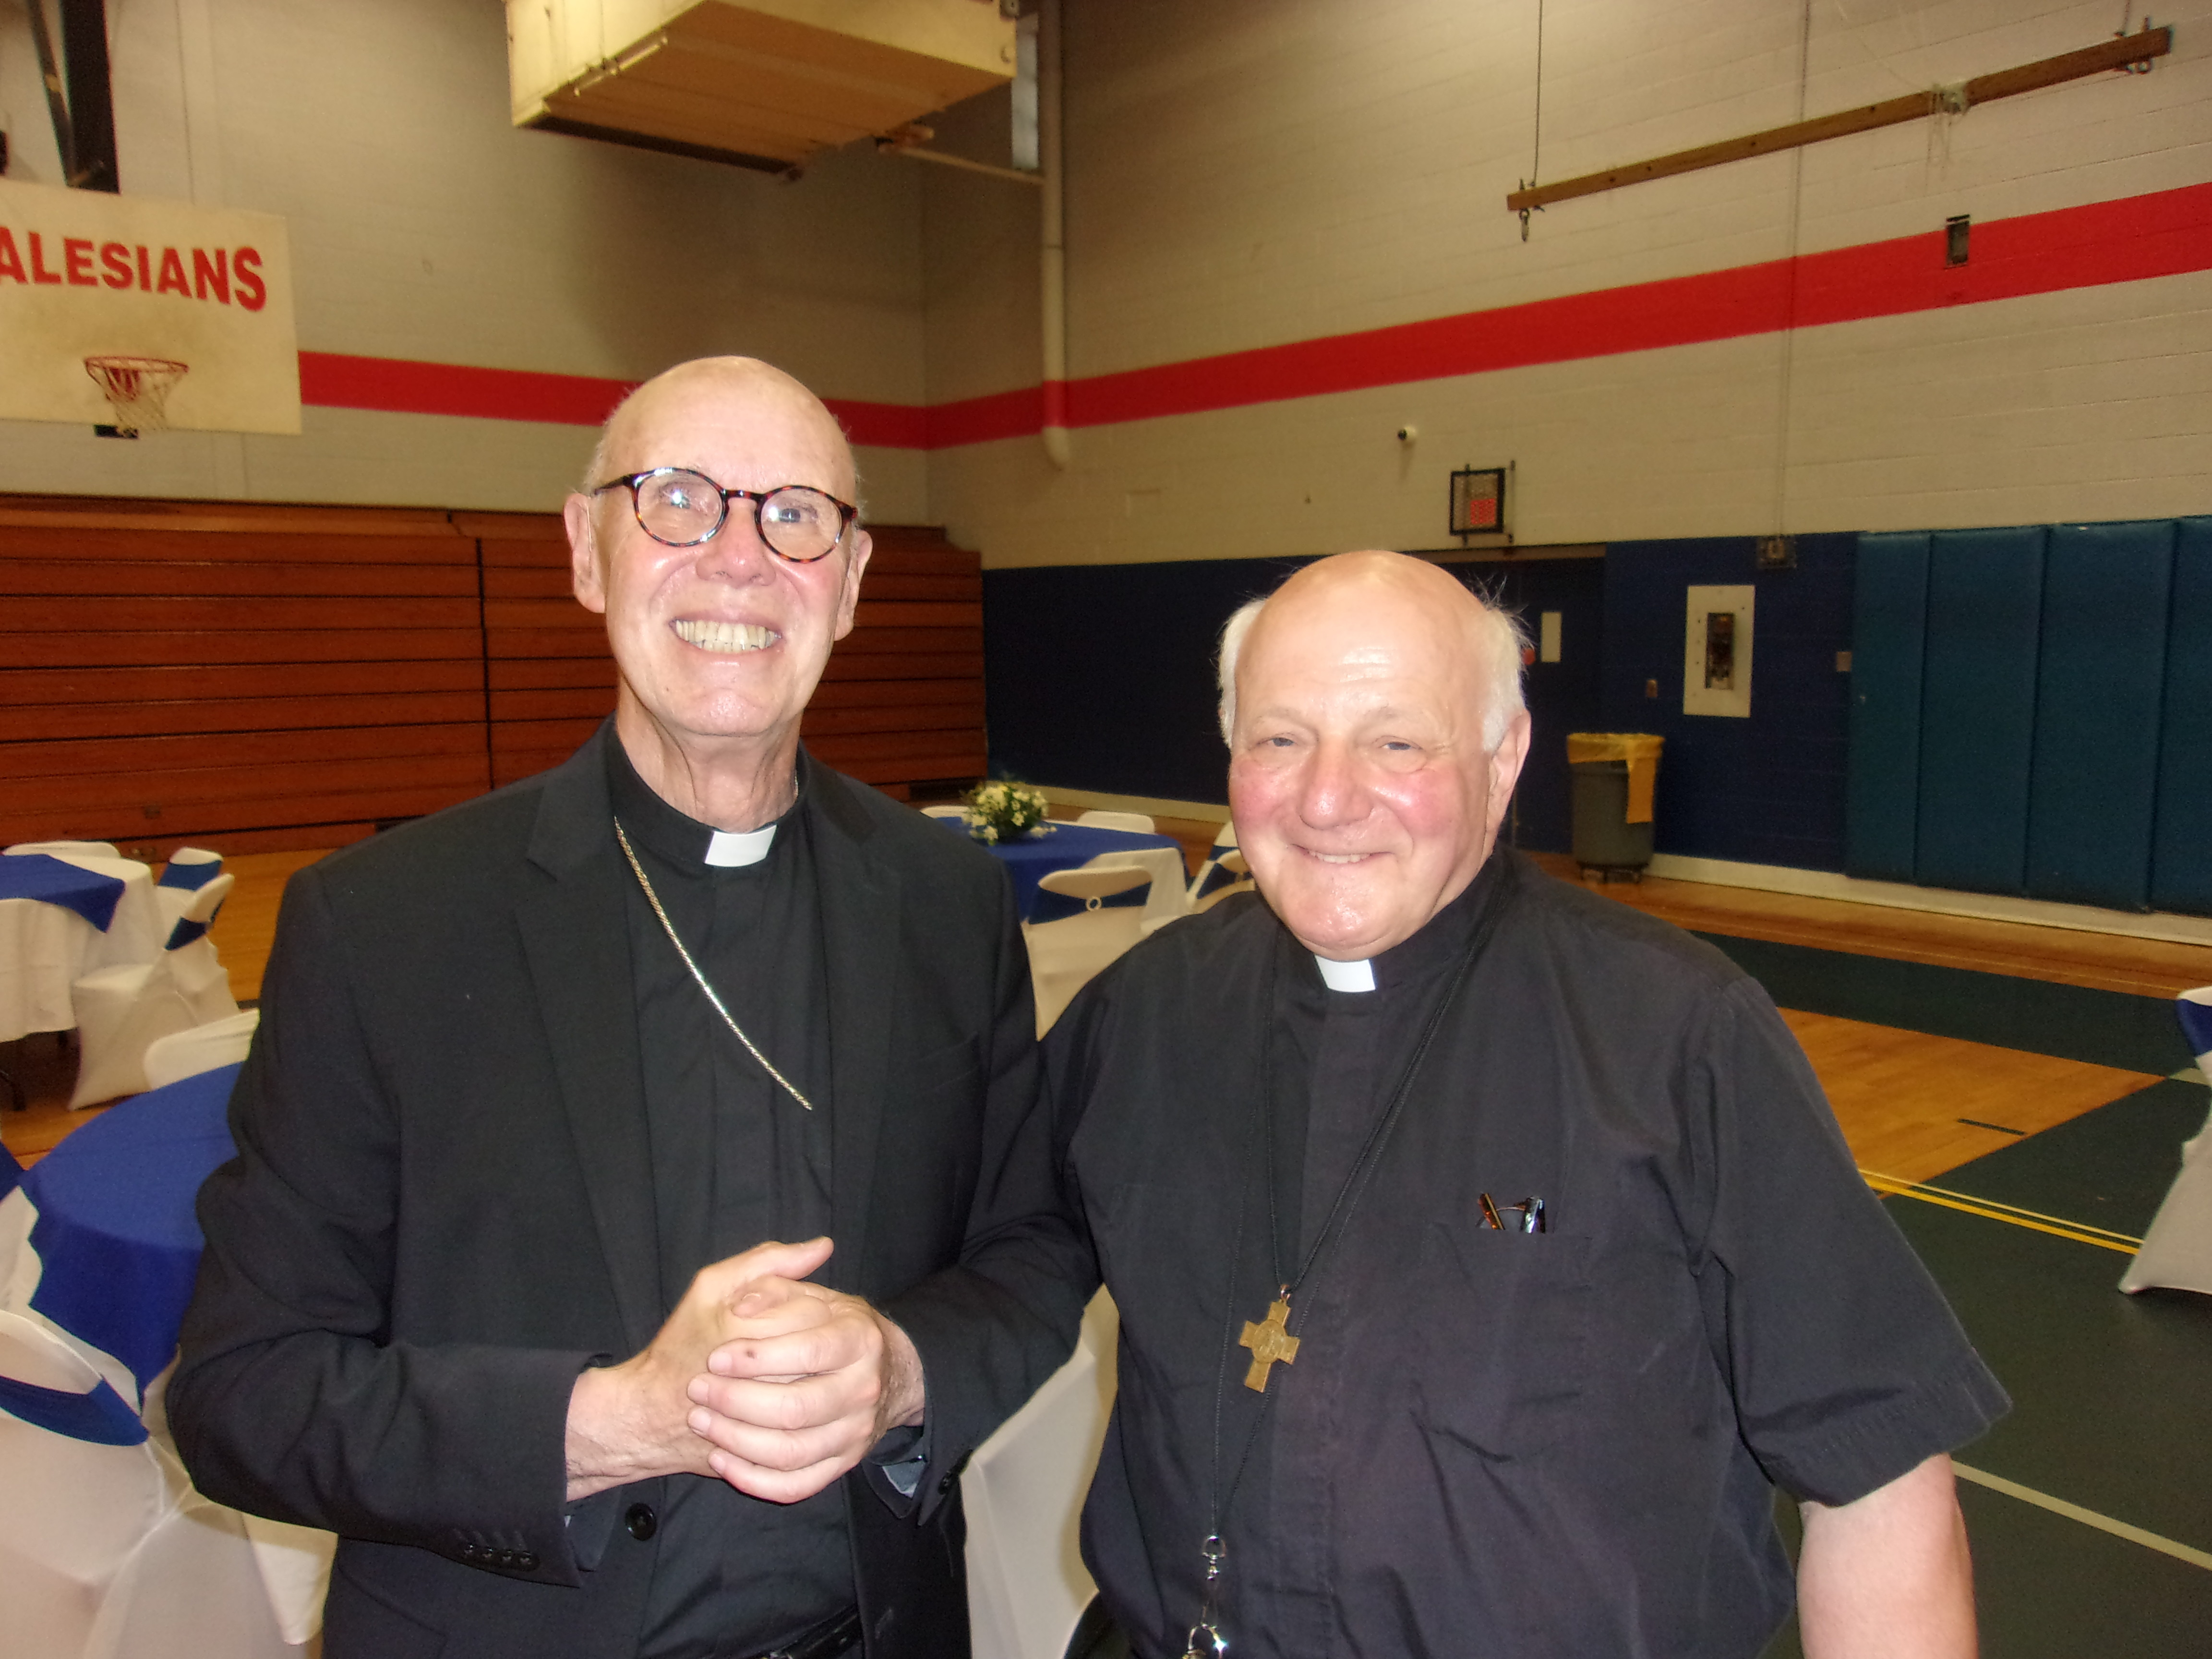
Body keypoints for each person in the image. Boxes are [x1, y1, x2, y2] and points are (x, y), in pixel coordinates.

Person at [170, 357, 1089, 1659]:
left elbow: (1032, 1250)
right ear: (587, 550)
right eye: (675, 500)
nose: (738, 558)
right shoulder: (384, 925)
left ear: (853, 583)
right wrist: (621, 1423)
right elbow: (241, 1394)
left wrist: (903, 1367)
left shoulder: (945, 900)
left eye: (794, 515)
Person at [1047, 551, 2007, 1658]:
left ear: (1504, 763)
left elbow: (1878, 1475)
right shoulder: (1148, 1012)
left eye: (1397, 741)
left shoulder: (1673, 1036)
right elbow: (1007, 1248)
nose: (1324, 797)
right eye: (1280, 738)